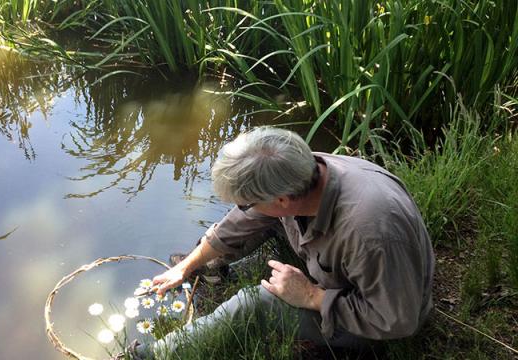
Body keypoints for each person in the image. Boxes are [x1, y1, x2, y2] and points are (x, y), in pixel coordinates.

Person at [125, 126, 434, 359]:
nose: (242, 208)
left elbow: (398, 320)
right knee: (257, 220)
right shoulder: (302, 173)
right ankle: (210, 268)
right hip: (355, 265)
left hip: (384, 315)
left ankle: (157, 354)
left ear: (283, 199)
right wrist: (187, 266)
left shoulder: (369, 233)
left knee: (256, 304)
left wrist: (312, 295)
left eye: (245, 203)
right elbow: (242, 220)